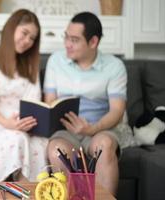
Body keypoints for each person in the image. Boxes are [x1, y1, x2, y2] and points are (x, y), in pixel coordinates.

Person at [43, 12, 127, 196]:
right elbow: (50, 101)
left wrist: (91, 129)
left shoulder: (114, 66)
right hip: (65, 130)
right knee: (57, 149)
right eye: (66, 37)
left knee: (104, 145)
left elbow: (117, 110)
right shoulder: (56, 61)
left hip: (99, 129)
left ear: (93, 42)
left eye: (74, 39)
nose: (67, 44)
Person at [0, 9, 48, 182]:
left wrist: (25, 123)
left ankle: (28, 194)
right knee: (15, 139)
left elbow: (33, 102)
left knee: (40, 145)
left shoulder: (29, 67)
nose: (27, 41)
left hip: (21, 122)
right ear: (11, 28)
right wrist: (7, 123)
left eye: (32, 38)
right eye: (25, 33)